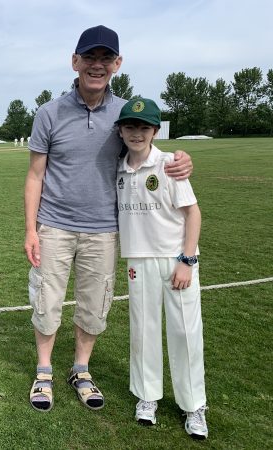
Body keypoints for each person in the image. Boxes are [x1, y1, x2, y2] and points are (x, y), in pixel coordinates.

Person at [24, 25, 193, 413]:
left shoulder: (124, 112)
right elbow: (35, 175)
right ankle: (44, 371)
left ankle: (80, 370)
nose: (96, 66)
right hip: (54, 225)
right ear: (75, 61)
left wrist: (179, 160)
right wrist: (31, 229)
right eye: (89, 58)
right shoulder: (49, 113)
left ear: (117, 64)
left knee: (94, 305)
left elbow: (146, 148)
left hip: (104, 228)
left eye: (105, 59)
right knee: (47, 301)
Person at [115, 98, 208, 439]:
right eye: (130, 126)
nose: (136, 133)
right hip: (138, 260)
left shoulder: (169, 164)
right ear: (121, 130)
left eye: (144, 127)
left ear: (155, 131)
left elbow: (193, 214)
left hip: (175, 260)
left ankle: (194, 404)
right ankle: (147, 397)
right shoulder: (118, 168)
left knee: (185, 332)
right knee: (144, 329)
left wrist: (187, 260)